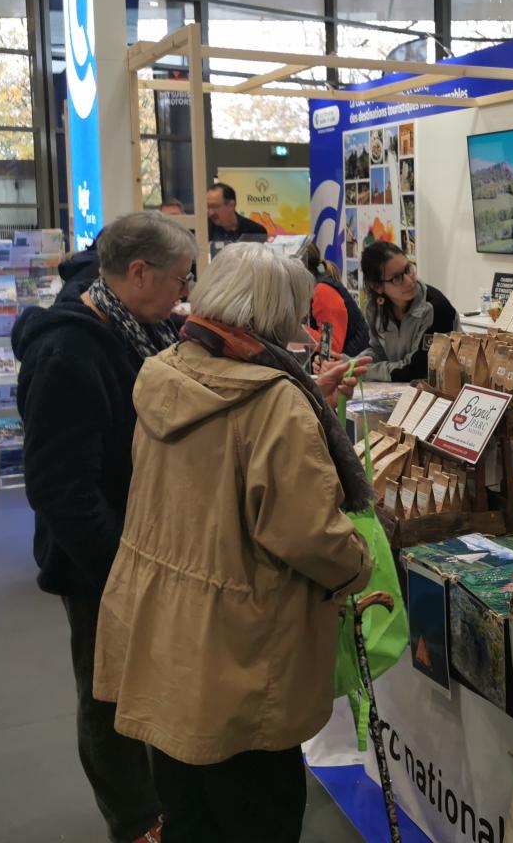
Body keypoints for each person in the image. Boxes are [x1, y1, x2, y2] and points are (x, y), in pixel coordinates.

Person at [93, 243, 373, 843]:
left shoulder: (166, 368)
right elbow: (307, 533)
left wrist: (306, 402)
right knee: (259, 812)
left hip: (164, 629)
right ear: (275, 313)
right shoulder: (274, 402)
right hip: (241, 648)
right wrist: (360, 564)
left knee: (188, 810)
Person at [12, 212, 197, 843]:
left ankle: (156, 803)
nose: (185, 290)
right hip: (101, 562)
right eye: (178, 278)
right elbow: (60, 489)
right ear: (138, 273)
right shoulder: (69, 351)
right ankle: (136, 822)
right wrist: (122, 568)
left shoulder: (136, 326)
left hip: (143, 548)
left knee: (145, 683)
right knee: (107, 694)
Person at [359, 240, 459, 382]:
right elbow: (378, 350)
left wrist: (363, 371)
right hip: (398, 389)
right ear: (377, 287)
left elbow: (418, 370)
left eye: (408, 269)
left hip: (438, 390)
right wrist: (351, 365)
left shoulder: (436, 308)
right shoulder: (373, 307)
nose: (409, 280)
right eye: (397, 278)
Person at [302, 240, 370, 357]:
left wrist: (296, 330)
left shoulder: (323, 290)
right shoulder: (314, 287)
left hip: (352, 368)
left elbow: (330, 345)